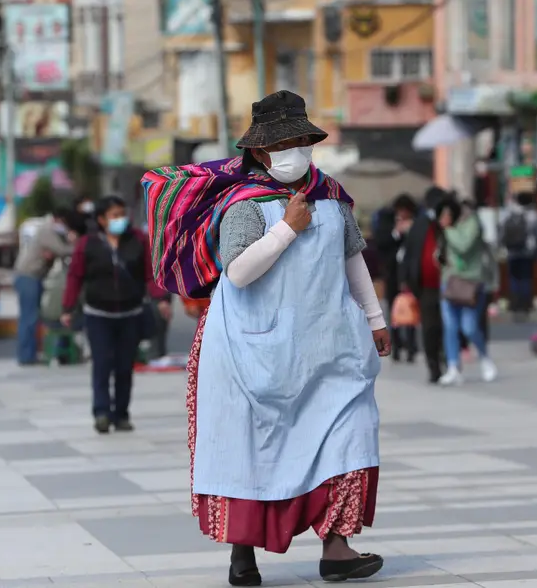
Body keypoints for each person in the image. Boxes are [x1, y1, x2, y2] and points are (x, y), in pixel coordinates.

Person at [142, 90, 388, 584]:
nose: (297, 150)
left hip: (329, 345)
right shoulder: (244, 205)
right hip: (250, 350)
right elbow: (237, 273)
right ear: (259, 152)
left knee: (350, 433)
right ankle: (242, 556)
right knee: (249, 449)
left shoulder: (332, 197)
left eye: (302, 140)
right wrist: (288, 230)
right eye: (285, 142)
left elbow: (351, 257)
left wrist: (375, 317)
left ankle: (337, 547)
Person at [60, 196, 172, 434]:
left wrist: (161, 299)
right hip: (98, 314)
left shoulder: (138, 240)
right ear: (101, 219)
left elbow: (150, 275)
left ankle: (121, 414)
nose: (120, 219)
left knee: (124, 367)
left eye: (122, 213)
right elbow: (75, 277)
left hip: (130, 314)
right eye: (114, 215)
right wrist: (68, 307)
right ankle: (101, 412)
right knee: (101, 364)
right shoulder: (87, 244)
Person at [436, 196, 498, 385]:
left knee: (469, 327)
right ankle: (453, 366)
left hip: (471, 282)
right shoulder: (448, 229)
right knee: (450, 326)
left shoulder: (471, 223)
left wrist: (448, 229)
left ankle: (485, 358)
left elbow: (463, 246)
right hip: (450, 281)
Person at [13, 207, 75, 365]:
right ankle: (26, 356)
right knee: (29, 317)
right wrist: (79, 246)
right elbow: (62, 250)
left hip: (34, 276)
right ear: (57, 220)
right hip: (28, 276)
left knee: (33, 316)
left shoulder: (50, 230)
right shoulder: (46, 230)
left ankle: (29, 354)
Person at [399, 187, 447, 383]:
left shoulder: (445, 223)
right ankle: (434, 365)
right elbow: (409, 254)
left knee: (444, 326)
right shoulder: (419, 225)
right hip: (425, 286)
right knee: (430, 327)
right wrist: (406, 280)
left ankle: (445, 360)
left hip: (446, 285)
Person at [382, 193, 420, 362]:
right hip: (392, 275)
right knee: (394, 312)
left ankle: (412, 347)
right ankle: (396, 347)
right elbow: (382, 244)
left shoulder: (416, 225)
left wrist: (411, 231)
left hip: (410, 274)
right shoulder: (388, 222)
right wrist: (397, 232)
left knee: (411, 311)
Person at [501, 192, 537, 315]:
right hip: (527, 251)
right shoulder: (532, 215)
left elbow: (501, 230)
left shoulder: (508, 212)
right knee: (526, 278)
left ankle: (514, 303)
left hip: (511, 250)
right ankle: (525, 304)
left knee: (513, 277)